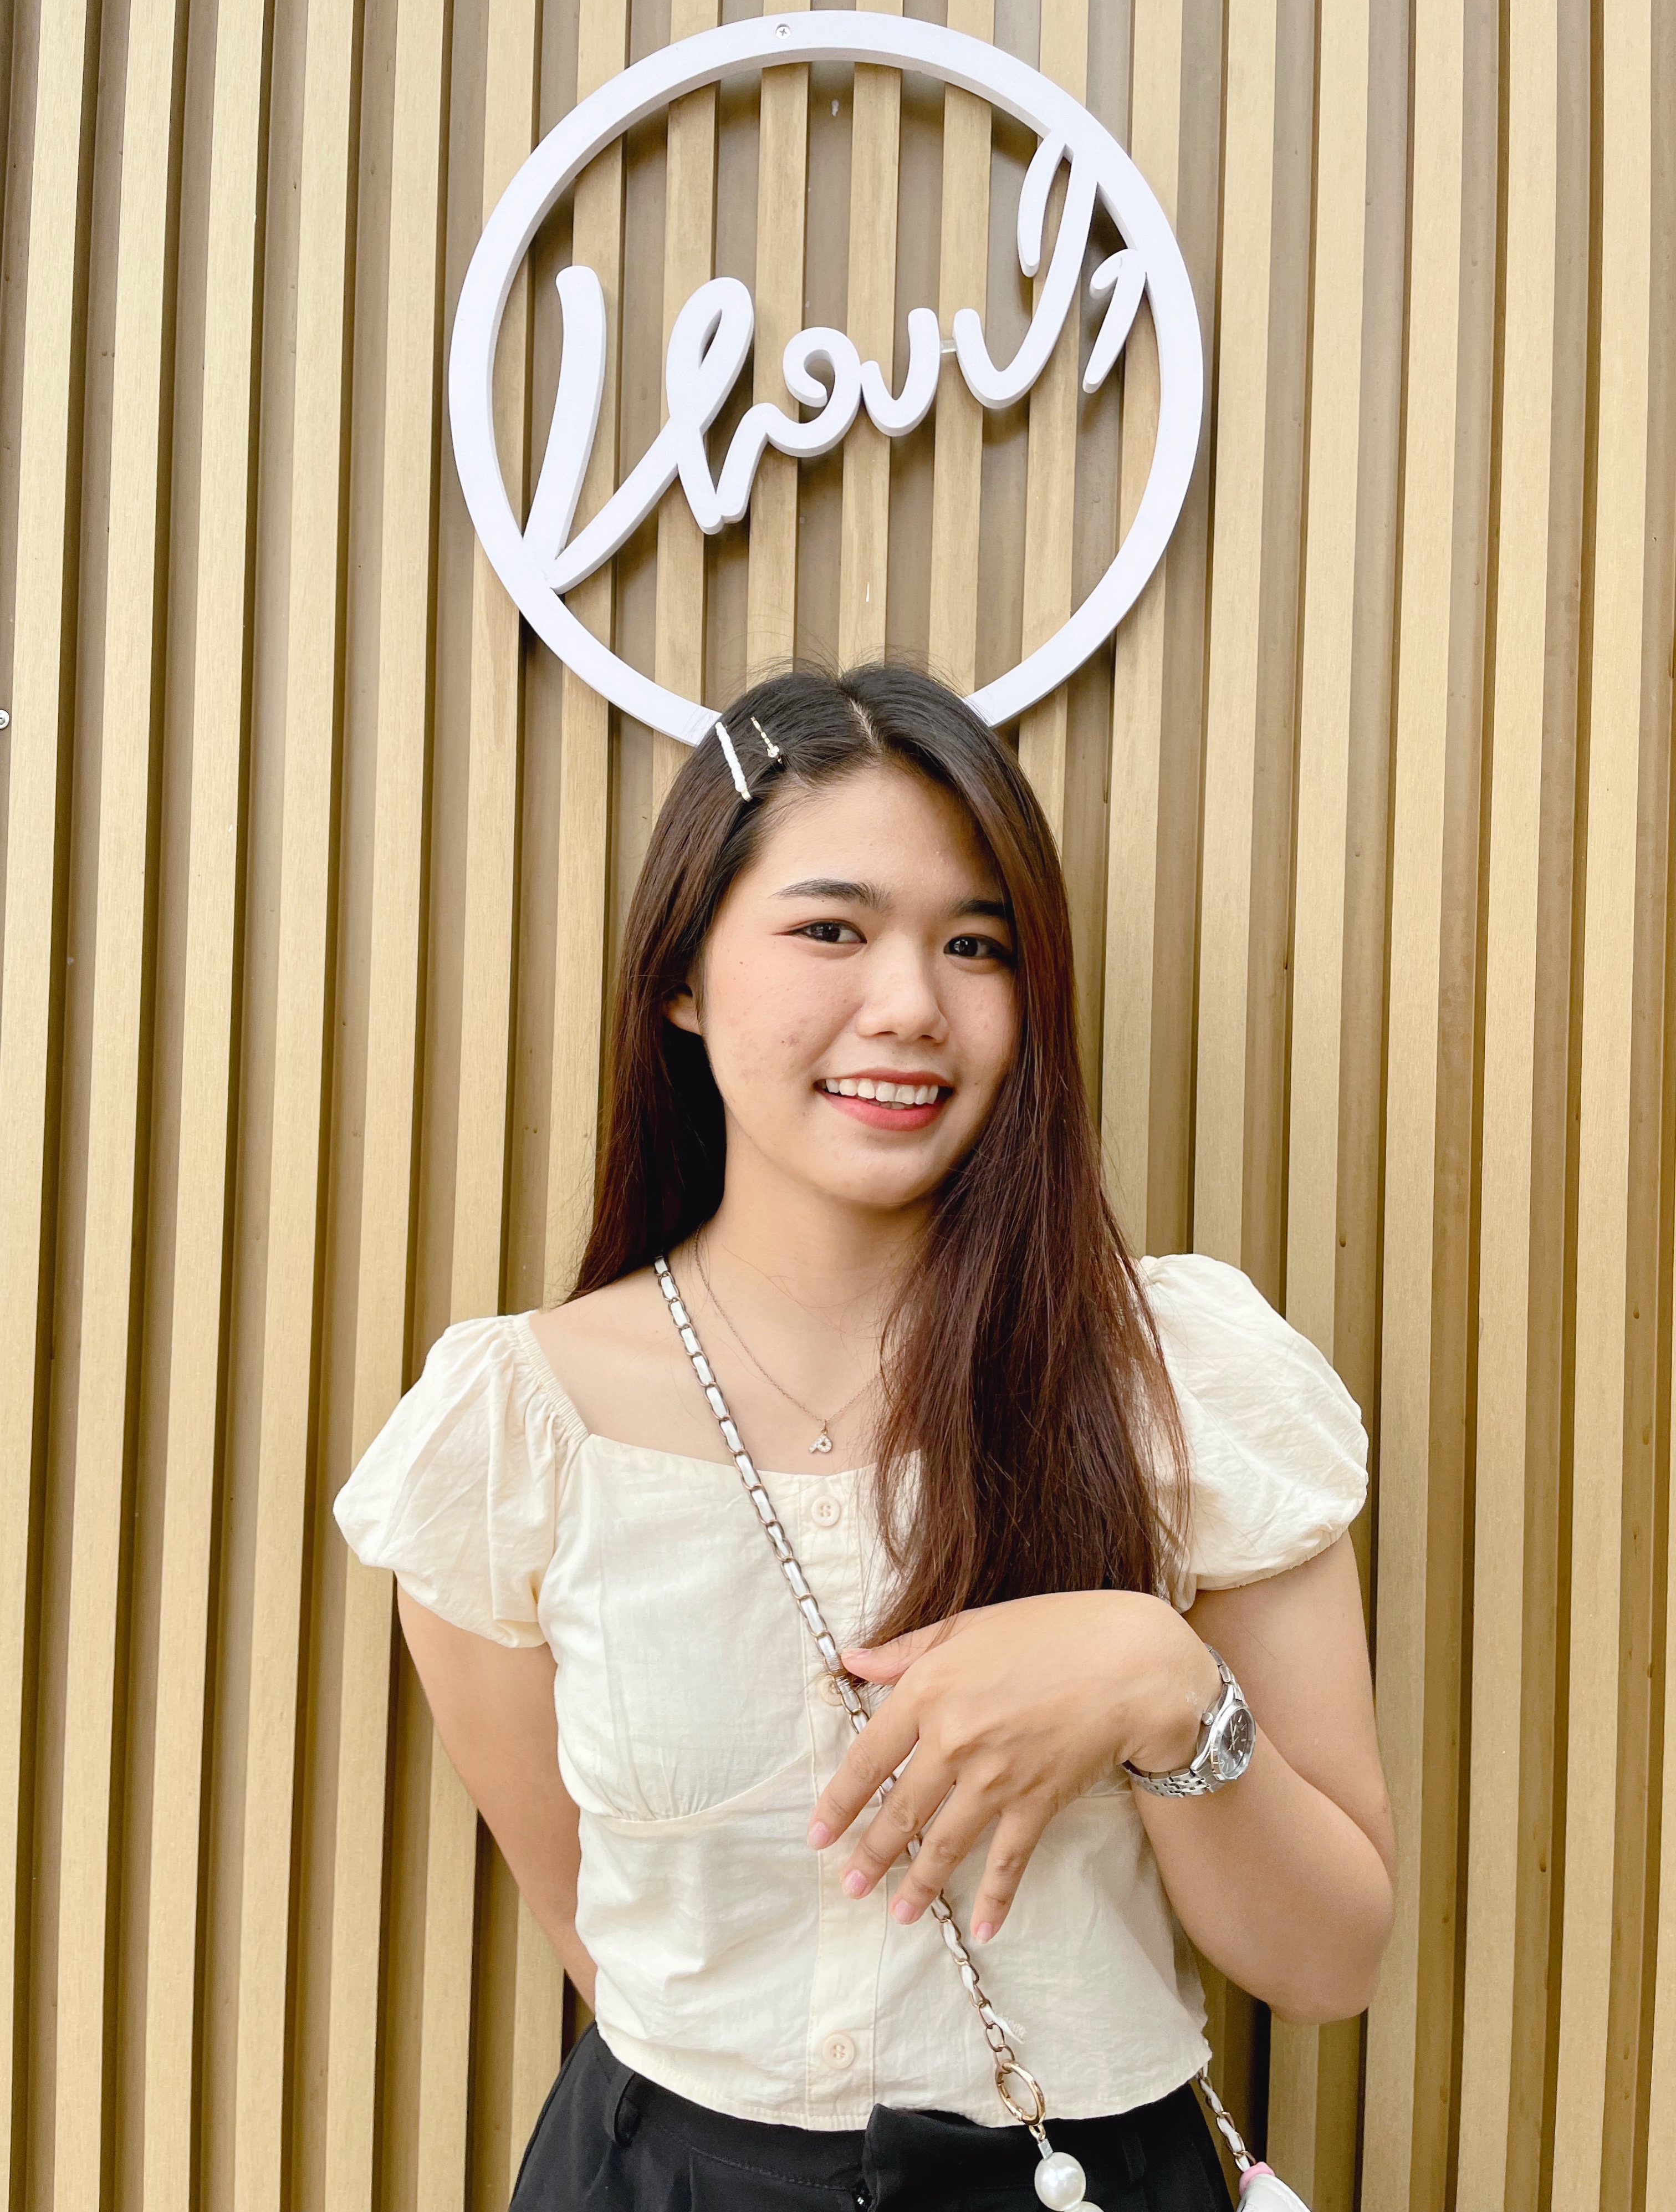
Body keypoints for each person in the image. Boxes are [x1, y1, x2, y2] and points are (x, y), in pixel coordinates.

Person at [334, 665, 1394, 2212]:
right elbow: (607, 1944)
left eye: (977, 944)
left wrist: (1164, 1685)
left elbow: (1332, 1960)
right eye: (832, 930)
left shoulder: (1178, 1379)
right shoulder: (515, 1432)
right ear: (681, 976)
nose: (909, 1005)